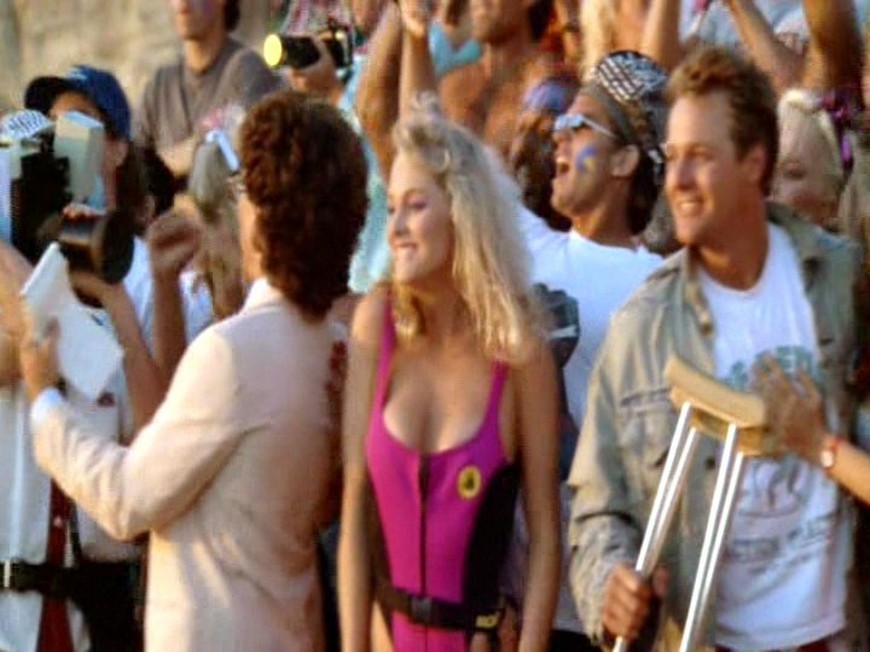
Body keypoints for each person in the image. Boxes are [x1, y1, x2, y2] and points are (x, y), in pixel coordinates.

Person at [17, 89, 368, 651]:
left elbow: (128, 500)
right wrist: (127, 298)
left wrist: (45, 402)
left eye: (244, 190)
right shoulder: (334, 349)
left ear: (263, 214)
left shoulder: (234, 351)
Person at [569, 45, 868, 650]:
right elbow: (598, 509)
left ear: (755, 162)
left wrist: (823, 446)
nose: (676, 181)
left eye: (700, 158)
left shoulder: (843, 285)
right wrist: (609, 585)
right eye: (672, 156)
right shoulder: (642, 328)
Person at [338, 103, 560, 651]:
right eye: (391, 207)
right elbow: (354, 514)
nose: (395, 228)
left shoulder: (520, 352)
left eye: (415, 206)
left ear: (463, 213)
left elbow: (545, 538)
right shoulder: (375, 325)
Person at [514, 50, 668, 651]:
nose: (560, 137)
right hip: (522, 604)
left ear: (626, 160)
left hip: (610, 611)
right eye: (560, 125)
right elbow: (428, 152)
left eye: (580, 127)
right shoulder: (526, 247)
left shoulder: (662, 288)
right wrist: (415, 37)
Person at [134, 0, 284, 182]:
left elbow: (247, 146)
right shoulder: (160, 85)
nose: (182, 5)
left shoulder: (246, 69)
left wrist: (164, 164)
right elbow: (133, 166)